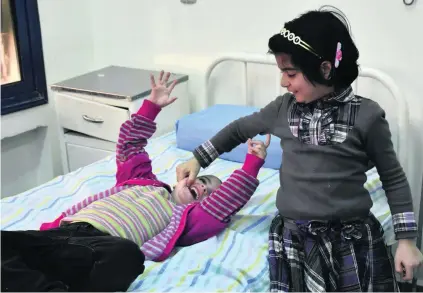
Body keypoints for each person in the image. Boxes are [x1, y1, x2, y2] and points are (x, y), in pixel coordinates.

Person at [176, 7, 423, 292]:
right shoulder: (283, 109)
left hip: (350, 239)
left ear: (325, 69)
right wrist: (198, 158)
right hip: (295, 238)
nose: (283, 82)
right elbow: (238, 129)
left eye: (290, 73)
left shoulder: (367, 116)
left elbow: (392, 178)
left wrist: (406, 240)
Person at [1, 71, 270, 292]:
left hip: (102, 247)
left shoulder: (184, 219)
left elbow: (224, 203)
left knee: (128, 256)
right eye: (204, 181)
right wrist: (151, 108)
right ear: (185, 177)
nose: (202, 188)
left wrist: (252, 164)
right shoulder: (141, 180)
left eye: (207, 193)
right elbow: (130, 145)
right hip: (60, 236)